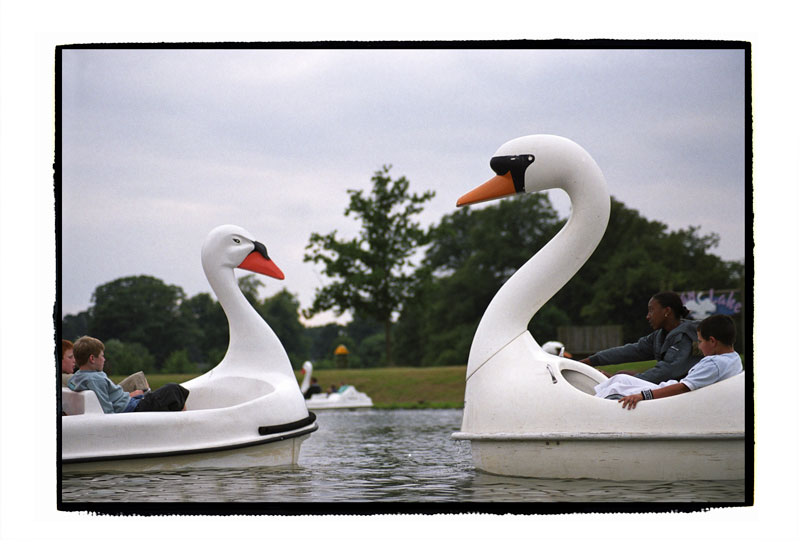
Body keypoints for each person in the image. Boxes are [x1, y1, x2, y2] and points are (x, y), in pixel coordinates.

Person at [594, 314, 743, 409]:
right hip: (669, 388)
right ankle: (594, 401)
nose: (699, 346)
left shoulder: (715, 364)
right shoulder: (733, 358)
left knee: (617, 387)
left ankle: (592, 409)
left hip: (672, 398)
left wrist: (642, 395)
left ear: (712, 341)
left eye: (700, 341)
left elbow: (683, 388)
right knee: (620, 379)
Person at [579, 291, 701, 383]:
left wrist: (621, 379)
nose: (648, 316)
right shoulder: (660, 335)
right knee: (623, 374)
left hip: (687, 394)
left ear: (667, 311)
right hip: (671, 387)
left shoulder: (685, 337)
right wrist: (591, 361)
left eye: (651, 310)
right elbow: (632, 350)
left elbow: (666, 371)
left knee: (621, 378)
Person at [67, 336, 189, 414]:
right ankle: (186, 423)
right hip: (133, 409)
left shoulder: (77, 377)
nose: (104, 359)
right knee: (173, 389)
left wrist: (131, 396)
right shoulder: (94, 380)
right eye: (102, 355)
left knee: (167, 394)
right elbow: (107, 412)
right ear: (92, 358)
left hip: (131, 402)